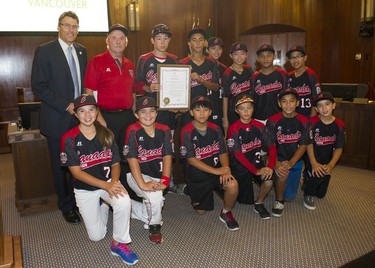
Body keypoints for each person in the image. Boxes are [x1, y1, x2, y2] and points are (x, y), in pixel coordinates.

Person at [60, 95, 139, 265]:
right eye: (82, 111)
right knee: (96, 236)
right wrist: (107, 185)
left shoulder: (107, 134)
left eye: (91, 110)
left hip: (107, 182)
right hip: (84, 188)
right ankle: (103, 206)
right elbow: (76, 173)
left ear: (97, 112)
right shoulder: (69, 138)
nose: (87, 115)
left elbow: (116, 163)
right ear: (76, 114)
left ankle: (119, 243)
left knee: (124, 201)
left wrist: (113, 183)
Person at [31, 11, 87, 224]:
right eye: (67, 25)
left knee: (80, 162)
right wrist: (66, 105)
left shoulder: (83, 51)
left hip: (81, 119)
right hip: (56, 120)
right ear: (59, 27)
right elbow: (39, 86)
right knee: (62, 165)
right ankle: (66, 205)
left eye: (75, 26)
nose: (71, 30)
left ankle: (80, 199)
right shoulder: (45, 51)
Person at [180, 96, 239, 231]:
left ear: (210, 112)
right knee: (201, 212)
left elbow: (222, 152)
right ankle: (190, 189)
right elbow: (190, 159)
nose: (202, 113)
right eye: (198, 109)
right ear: (191, 112)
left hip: (215, 171)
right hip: (197, 175)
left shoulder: (216, 128)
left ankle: (225, 212)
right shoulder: (186, 131)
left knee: (232, 184)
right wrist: (217, 171)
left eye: (205, 109)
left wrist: (226, 168)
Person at [123, 97, 173, 243]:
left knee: (155, 202)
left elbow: (167, 156)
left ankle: (130, 206)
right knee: (156, 198)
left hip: (157, 174)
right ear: (136, 114)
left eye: (152, 111)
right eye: (143, 112)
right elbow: (132, 160)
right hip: (137, 175)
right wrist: (143, 184)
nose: (148, 115)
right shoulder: (133, 130)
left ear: (156, 113)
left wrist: (165, 180)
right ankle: (154, 227)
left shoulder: (164, 129)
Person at [135, 24, 178, 192]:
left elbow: (179, 85)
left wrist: (178, 105)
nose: (162, 42)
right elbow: (137, 84)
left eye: (166, 38)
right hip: (149, 113)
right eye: (159, 38)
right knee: (149, 148)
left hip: (168, 112)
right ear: (152, 40)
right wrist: (148, 88)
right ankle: (148, 180)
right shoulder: (144, 59)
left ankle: (170, 181)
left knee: (168, 148)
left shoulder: (174, 59)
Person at [84, 24, 136, 149]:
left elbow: (132, 91)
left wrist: (135, 114)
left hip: (128, 117)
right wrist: (98, 116)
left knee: (128, 154)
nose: (118, 42)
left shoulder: (130, 65)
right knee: (109, 156)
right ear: (107, 40)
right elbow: (89, 91)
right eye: (114, 38)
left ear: (126, 42)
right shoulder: (96, 62)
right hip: (106, 118)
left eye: (122, 38)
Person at [227, 94, 277, 219]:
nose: (246, 111)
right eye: (242, 108)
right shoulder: (233, 128)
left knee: (269, 180)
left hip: (256, 161)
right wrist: (255, 171)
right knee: (243, 201)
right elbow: (237, 154)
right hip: (239, 166)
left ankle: (259, 203)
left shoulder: (260, 126)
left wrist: (270, 166)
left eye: (249, 108)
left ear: (253, 109)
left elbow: (272, 147)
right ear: (236, 110)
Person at [266, 88, 310, 217]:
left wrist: (291, 162)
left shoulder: (304, 121)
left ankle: (286, 185)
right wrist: (276, 163)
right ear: (279, 104)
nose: (288, 105)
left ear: (297, 103)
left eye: (292, 101)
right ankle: (279, 201)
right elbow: (271, 145)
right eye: (284, 101)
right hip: (277, 157)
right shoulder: (272, 121)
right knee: (282, 174)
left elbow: (303, 145)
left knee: (290, 198)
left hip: (295, 160)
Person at [303, 92, 345, 210]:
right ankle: (308, 191)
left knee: (320, 194)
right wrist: (314, 164)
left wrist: (331, 165)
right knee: (316, 178)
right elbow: (308, 144)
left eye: (327, 104)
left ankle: (312, 178)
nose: (324, 108)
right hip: (312, 157)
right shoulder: (311, 122)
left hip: (327, 157)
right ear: (316, 109)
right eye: (320, 106)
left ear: (333, 105)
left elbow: (339, 147)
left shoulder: (340, 125)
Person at [179, 28, 220, 127]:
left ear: (205, 42)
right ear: (189, 43)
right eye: (194, 40)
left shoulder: (212, 62)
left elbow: (216, 87)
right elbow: (178, 90)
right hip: (189, 110)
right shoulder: (182, 63)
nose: (197, 43)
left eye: (201, 39)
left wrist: (202, 80)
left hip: (207, 109)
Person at [250, 44, 288, 124]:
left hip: (279, 117)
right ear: (258, 59)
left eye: (269, 55)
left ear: (274, 57)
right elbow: (252, 99)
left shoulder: (282, 74)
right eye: (262, 56)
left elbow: (287, 96)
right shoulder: (254, 78)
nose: (265, 58)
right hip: (259, 118)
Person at [222, 42, 253, 134]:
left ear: (246, 55)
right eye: (236, 54)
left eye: (242, 54)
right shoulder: (227, 73)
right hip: (234, 112)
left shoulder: (249, 70)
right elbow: (225, 97)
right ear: (231, 55)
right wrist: (225, 118)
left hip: (248, 110)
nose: (239, 57)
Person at [286, 45, 321, 118]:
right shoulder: (288, 76)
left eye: (299, 56)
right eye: (292, 57)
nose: (295, 60)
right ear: (289, 60)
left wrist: (311, 120)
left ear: (305, 58)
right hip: (292, 117)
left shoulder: (311, 75)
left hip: (307, 117)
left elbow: (316, 99)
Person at [206, 37, 227, 130]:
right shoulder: (203, 66)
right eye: (213, 48)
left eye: (219, 48)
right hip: (205, 108)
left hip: (220, 107)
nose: (216, 52)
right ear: (207, 50)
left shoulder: (225, 69)